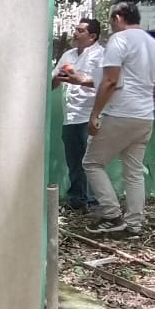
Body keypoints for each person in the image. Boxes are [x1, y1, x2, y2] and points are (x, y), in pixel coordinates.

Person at [84, 1, 155, 237]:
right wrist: (148, 104)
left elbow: (110, 80)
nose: (111, 26)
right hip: (144, 118)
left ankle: (111, 214)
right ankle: (134, 225)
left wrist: (95, 114)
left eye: (111, 21)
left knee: (92, 163)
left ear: (118, 18)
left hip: (121, 114)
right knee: (133, 171)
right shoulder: (152, 43)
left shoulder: (119, 40)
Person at [51, 18, 105, 210]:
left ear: (92, 36)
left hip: (90, 114)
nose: (75, 33)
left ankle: (94, 201)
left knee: (91, 161)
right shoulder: (68, 55)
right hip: (70, 116)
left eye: (81, 31)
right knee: (74, 161)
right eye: (75, 29)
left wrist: (80, 80)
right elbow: (52, 83)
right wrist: (59, 78)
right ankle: (77, 200)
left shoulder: (101, 55)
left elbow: (107, 83)